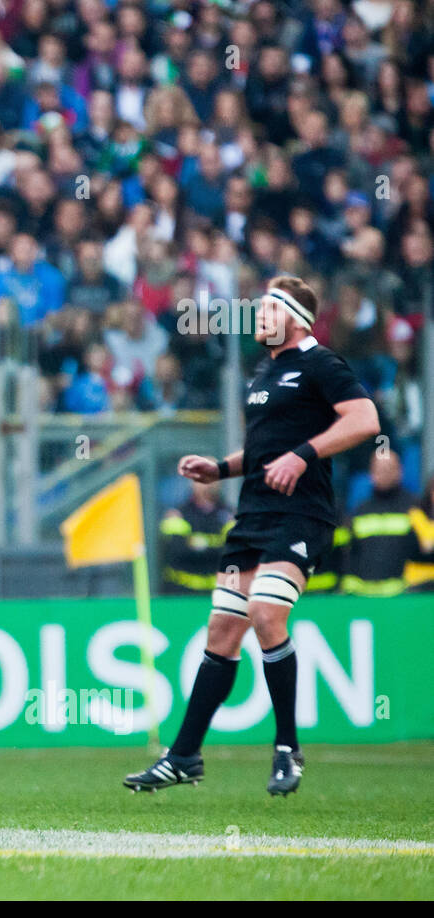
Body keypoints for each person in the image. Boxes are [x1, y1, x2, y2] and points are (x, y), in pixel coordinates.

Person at [124, 275, 378, 796]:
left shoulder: (321, 363)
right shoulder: (264, 371)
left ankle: (287, 748)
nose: (259, 315)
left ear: (297, 319)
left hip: (300, 514)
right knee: (221, 630)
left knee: (265, 612)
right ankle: (183, 756)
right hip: (252, 517)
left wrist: (303, 455)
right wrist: (220, 468)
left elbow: (365, 419)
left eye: (270, 308)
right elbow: (265, 450)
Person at [340, 449, 419, 597]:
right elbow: (348, 554)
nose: (384, 473)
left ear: (400, 471)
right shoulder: (359, 510)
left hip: (405, 596)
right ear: (371, 473)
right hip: (362, 596)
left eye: (389, 468)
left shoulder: (414, 508)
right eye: (379, 469)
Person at [158, 480, 233, 594]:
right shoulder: (177, 514)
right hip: (181, 591)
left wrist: (195, 544)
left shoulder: (230, 515)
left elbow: (233, 552)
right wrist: (214, 545)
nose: (209, 483)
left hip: (217, 592)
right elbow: (177, 551)